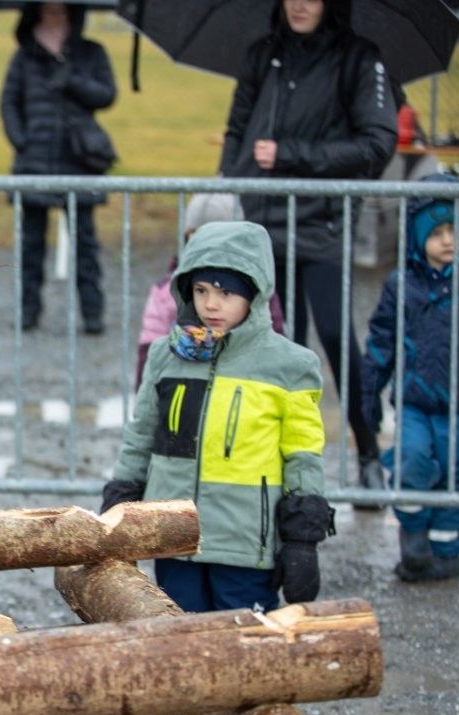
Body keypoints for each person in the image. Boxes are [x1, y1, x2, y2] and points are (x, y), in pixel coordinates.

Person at [103, 221, 333, 613]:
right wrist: (120, 498)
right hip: (173, 536)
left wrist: (302, 539)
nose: (211, 304)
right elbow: (141, 434)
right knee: (177, 631)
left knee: (244, 640)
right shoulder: (165, 357)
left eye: (226, 293)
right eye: (201, 291)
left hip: (244, 544)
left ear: (254, 294)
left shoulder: (290, 366)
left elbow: (302, 456)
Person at [220, 0, 397, 495]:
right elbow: (237, 131)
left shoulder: (359, 58)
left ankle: (368, 450)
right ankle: (277, 461)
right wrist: (230, 185)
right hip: (262, 224)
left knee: (336, 336)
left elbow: (377, 145)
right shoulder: (262, 54)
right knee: (274, 339)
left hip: (324, 225)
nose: (300, 3)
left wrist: (291, 155)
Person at [361, 174, 459, 583]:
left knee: (458, 478)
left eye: (455, 231)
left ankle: (447, 550)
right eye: (437, 233)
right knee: (412, 462)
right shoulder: (401, 285)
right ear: (419, 237)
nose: (447, 240)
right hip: (415, 404)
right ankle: (414, 536)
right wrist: (369, 393)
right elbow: (382, 341)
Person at [0, 2, 116, 334]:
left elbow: (107, 94)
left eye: (61, 10)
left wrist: (73, 81)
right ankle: (28, 311)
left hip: (79, 161)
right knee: (31, 244)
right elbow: (8, 102)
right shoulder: (24, 57)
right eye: (48, 10)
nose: (55, 16)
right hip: (33, 162)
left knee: (85, 244)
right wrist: (21, 140)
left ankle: (92, 314)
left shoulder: (91, 52)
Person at [136, 194, 286, 387]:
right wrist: (145, 390)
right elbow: (149, 347)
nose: (210, 304)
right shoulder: (165, 290)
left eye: (226, 293)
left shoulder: (259, 292)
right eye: (194, 237)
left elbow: (275, 342)